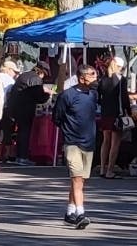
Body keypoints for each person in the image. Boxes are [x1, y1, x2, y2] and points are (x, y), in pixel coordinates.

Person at [53, 63, 99, 229]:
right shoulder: (67, 96)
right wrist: (68, 130)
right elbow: (57, 117)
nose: (95, 78)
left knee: (80, 181)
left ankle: (69, 212)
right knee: (76, 178)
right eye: (92, 75)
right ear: (81, 78)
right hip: (72, 142)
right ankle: (81, 213)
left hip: (89, 142)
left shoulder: (93, 95)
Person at [4, 61, 51, 165]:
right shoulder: (36, 79)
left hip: (15, 107)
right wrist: (48, 94)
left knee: (20, 132)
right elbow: (39, 97)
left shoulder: (24, 75)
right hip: (25, 109)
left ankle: (16, 156)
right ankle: (22, 157)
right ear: (42, 73)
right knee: (25, 132)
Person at [97, 54, 131, 179]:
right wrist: (129, 112)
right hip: (117, 114)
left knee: (105, 141)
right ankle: (110, 170)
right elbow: (124, 98)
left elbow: (98, 97)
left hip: (105, 113)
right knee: (115, 143)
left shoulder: (103, 79)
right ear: (119, 67)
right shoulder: (121, 79)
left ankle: (102, 168)